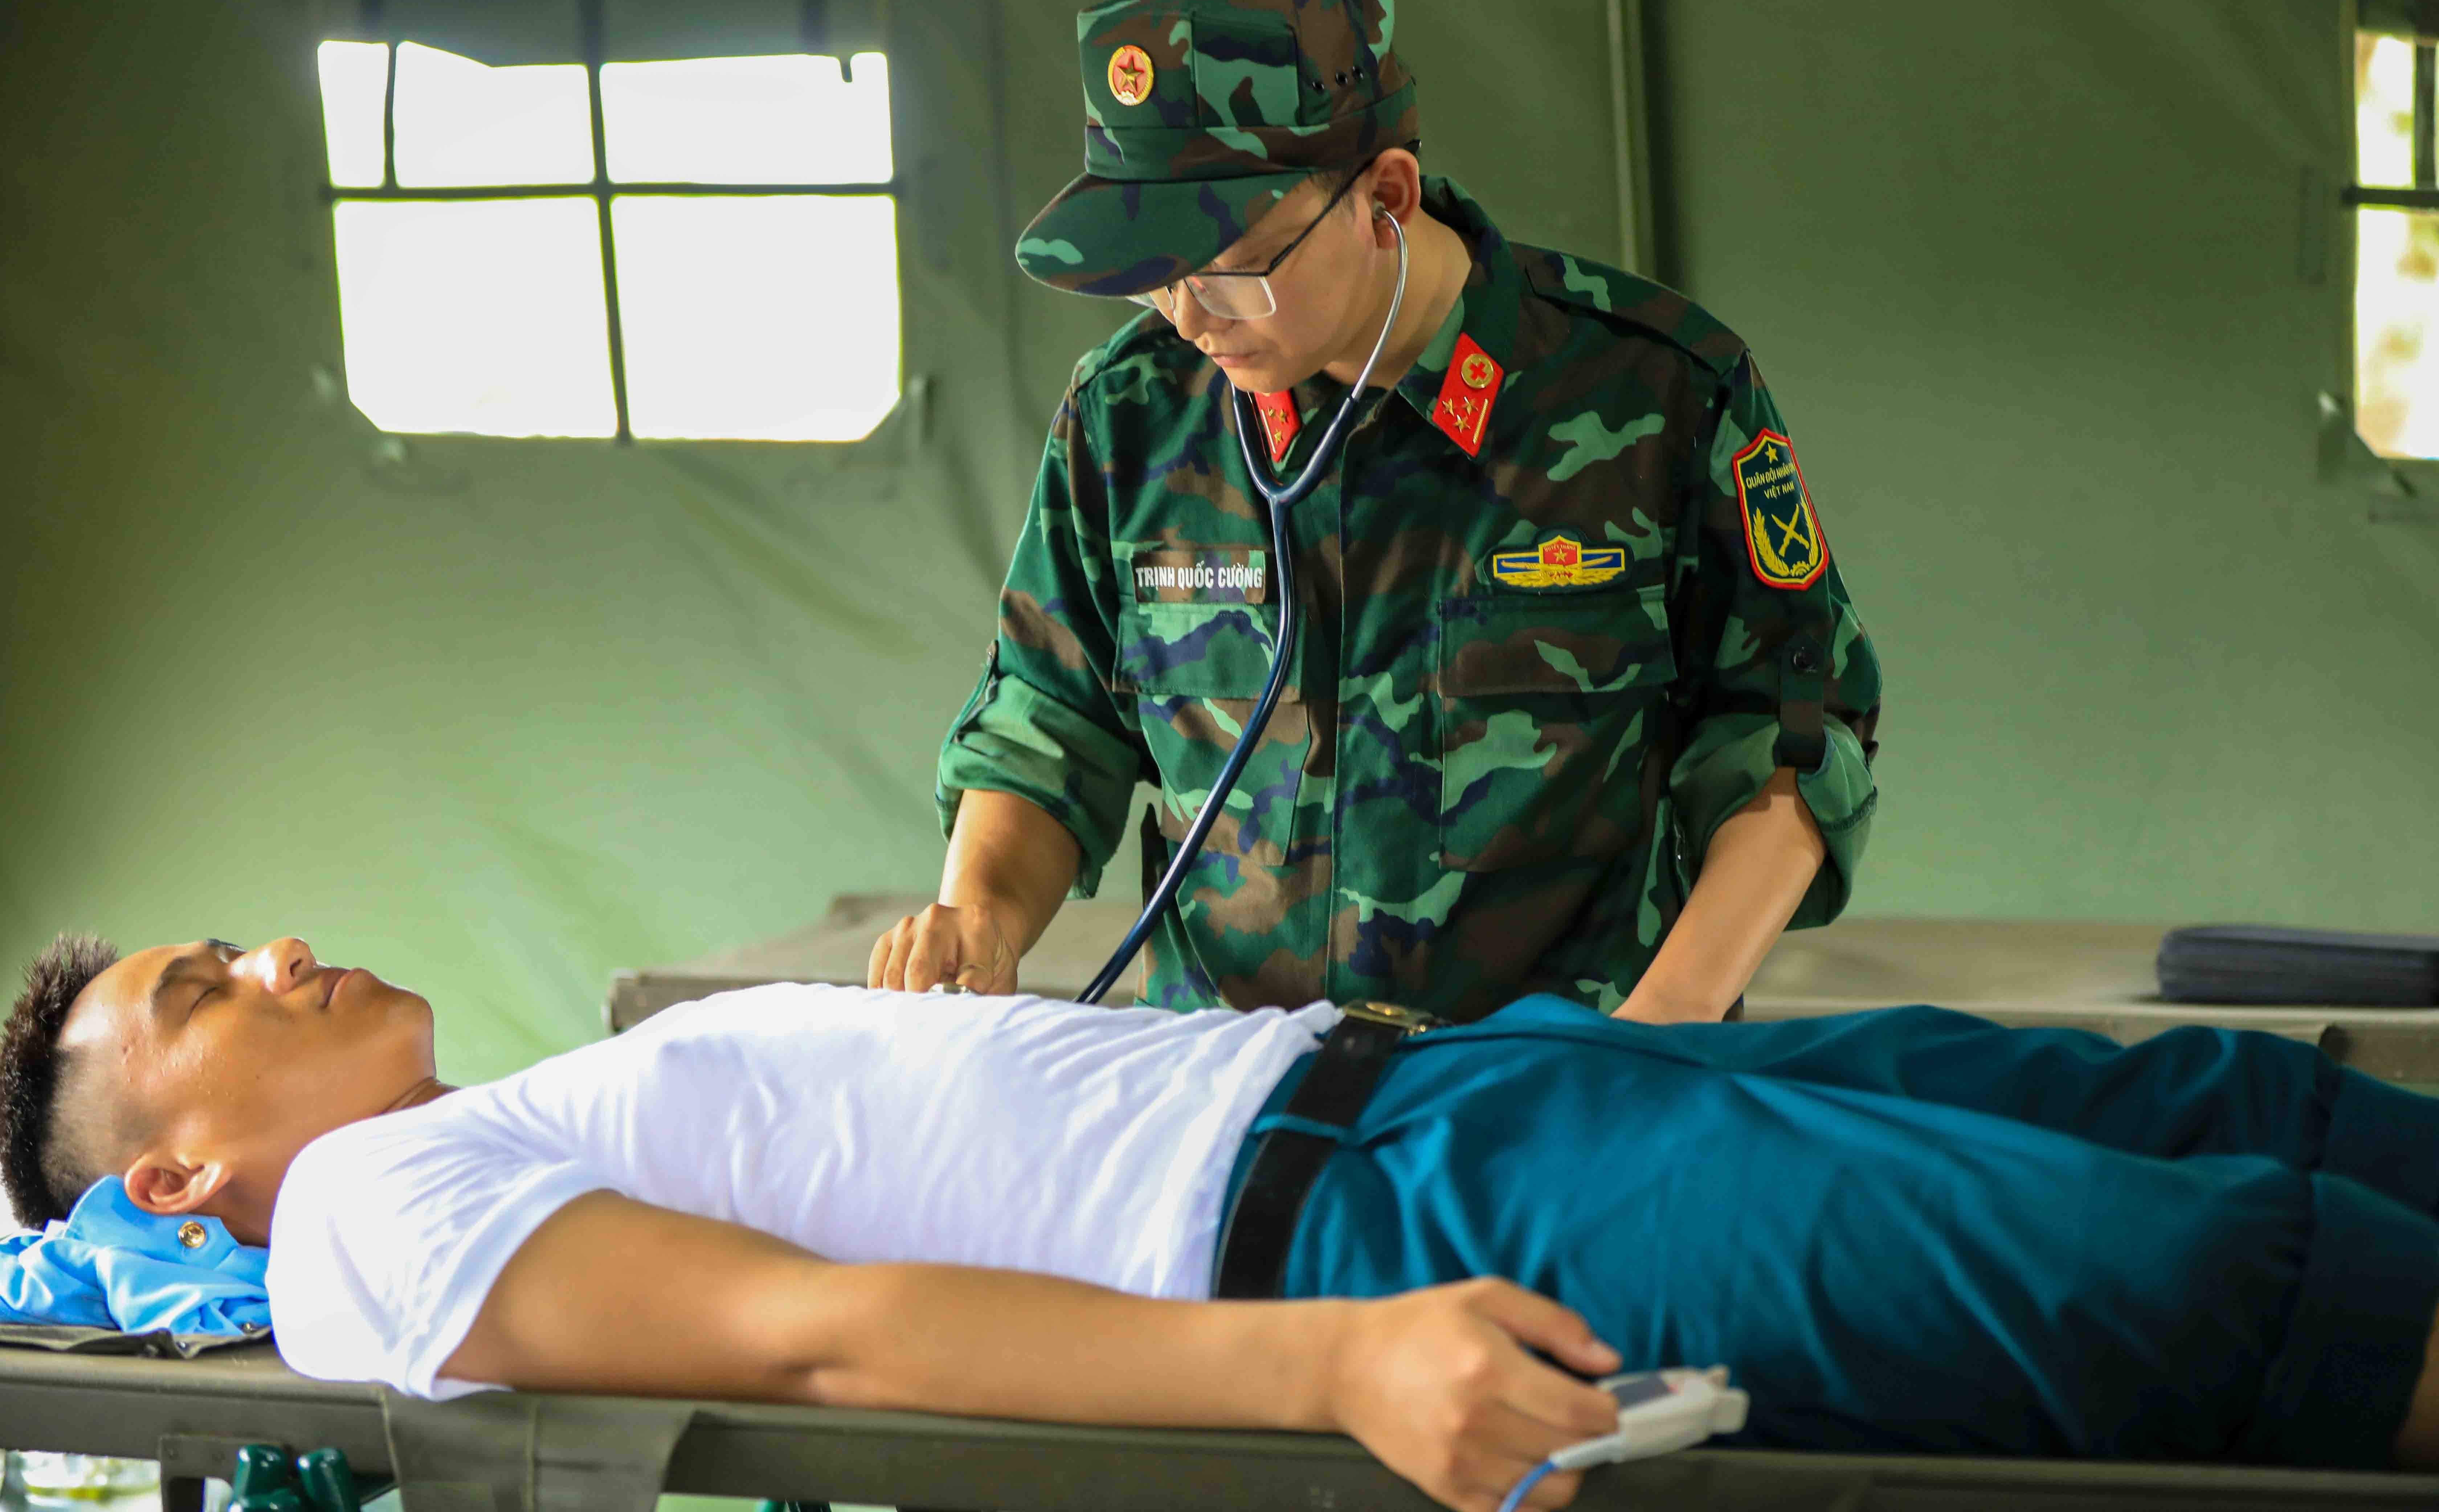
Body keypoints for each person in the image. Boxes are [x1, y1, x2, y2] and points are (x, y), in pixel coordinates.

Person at [9, 933, 2439, 1509]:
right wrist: (1342, 1359)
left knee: (2206, 1104)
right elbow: (816, 1336)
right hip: (1369, 1220)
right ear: (171, 1176)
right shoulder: (361, 1221)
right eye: (205, 992)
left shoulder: (512, 1110)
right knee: (2191, 1282)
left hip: (1433, 1081)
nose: (279, 952)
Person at [876, 0, 1883, 1023]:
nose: (1191, 318)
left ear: (1385, 199)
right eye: (1157, 276)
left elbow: (1788, 731)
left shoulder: (1660, 391)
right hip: (1229, 1093)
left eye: (1230, 269)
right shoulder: (1133, 413)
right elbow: (1050, 717)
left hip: (1558, 1085)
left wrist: (1659, 1031)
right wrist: (982, 912)